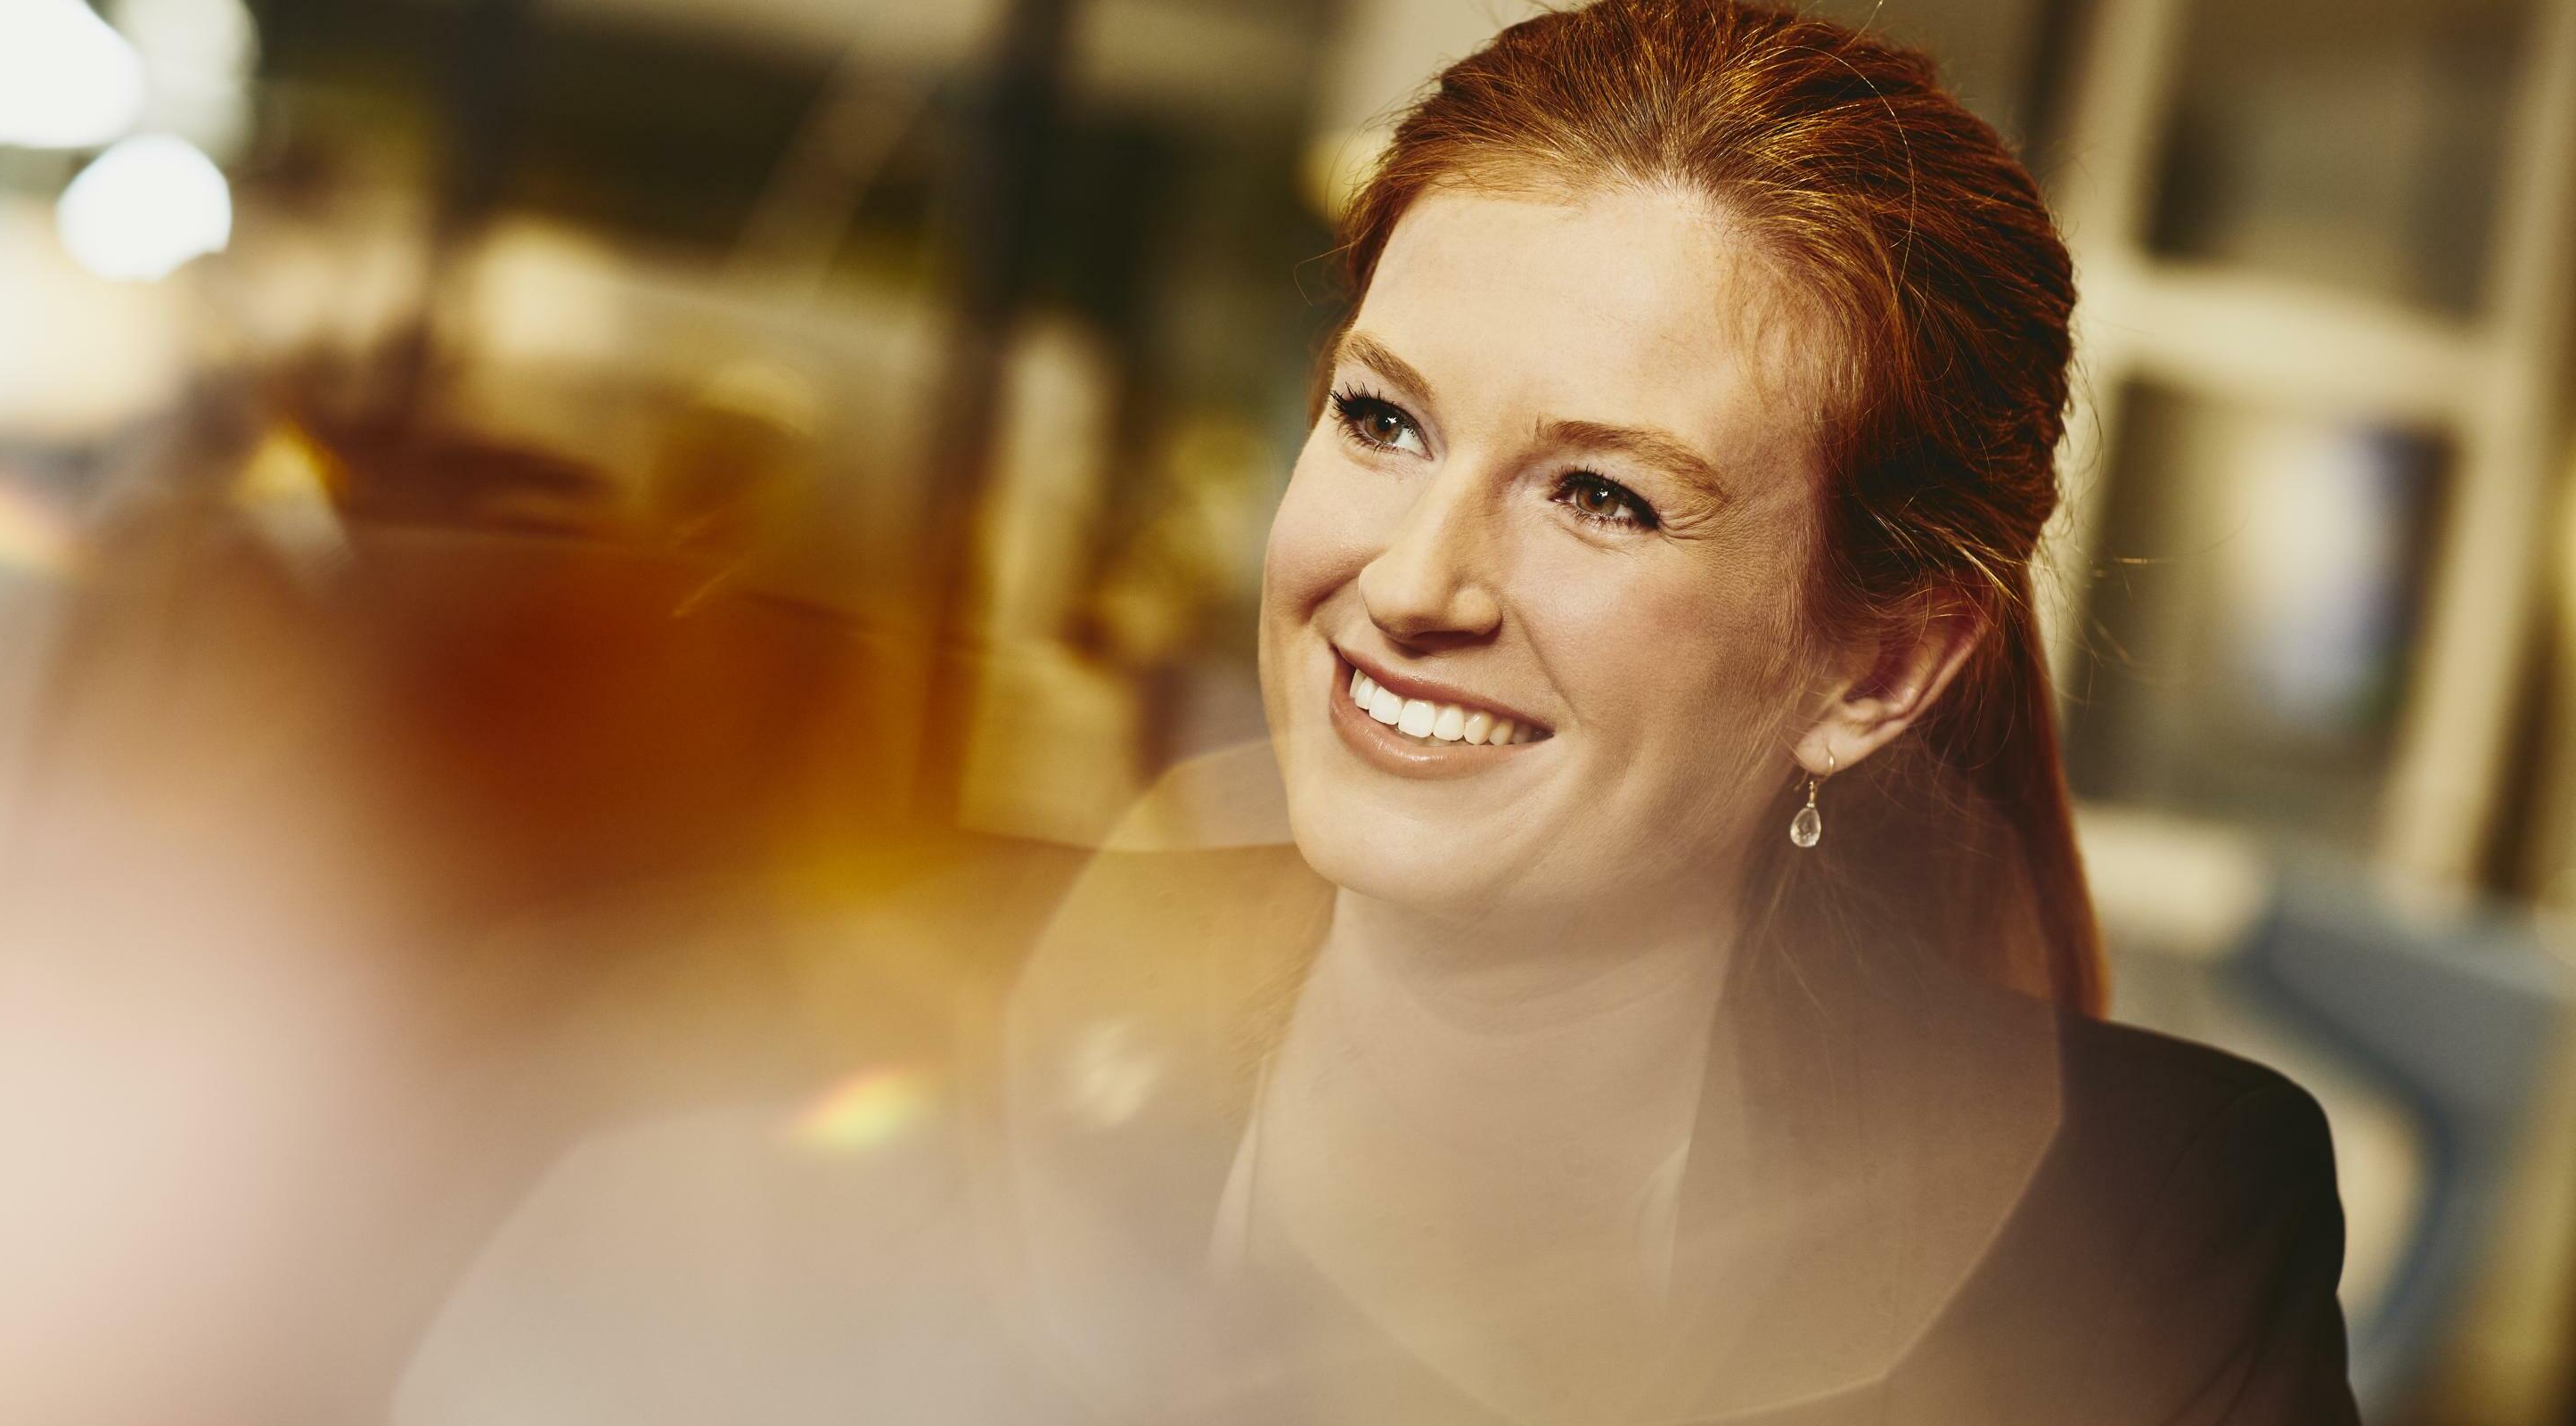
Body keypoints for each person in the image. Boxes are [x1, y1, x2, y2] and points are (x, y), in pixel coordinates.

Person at [400, 3, 2363, 1422]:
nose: (1413, 579)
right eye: (1382, 417)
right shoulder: (809, 1067)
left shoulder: (2149, 1228)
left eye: (1601, 493)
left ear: (1879, 666)